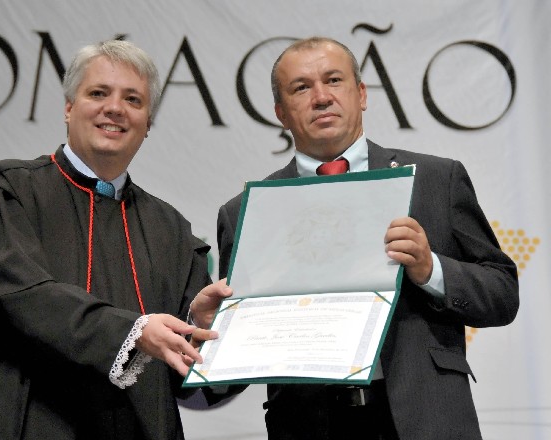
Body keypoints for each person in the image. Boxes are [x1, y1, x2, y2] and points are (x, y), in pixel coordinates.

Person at [0, 39, 231, 440]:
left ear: (148, 122)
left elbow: (195, 376)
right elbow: (23, 299)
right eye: (98, 93)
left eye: (133, 99)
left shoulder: (172, 230)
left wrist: (200, 326)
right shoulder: (0, 194)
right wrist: (134, 331)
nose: (114, 108)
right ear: (68, 108)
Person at [210, 37, 519, 440]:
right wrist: (219, 329)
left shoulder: (435, 180)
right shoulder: (246, 211)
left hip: (425, 419)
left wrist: (431, 270)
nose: (322, 97)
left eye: (333, 80)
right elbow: (237, 344)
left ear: (361, 94)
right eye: (301, 87)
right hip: (309, 425)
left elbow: (502, 294)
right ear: (281, 113)